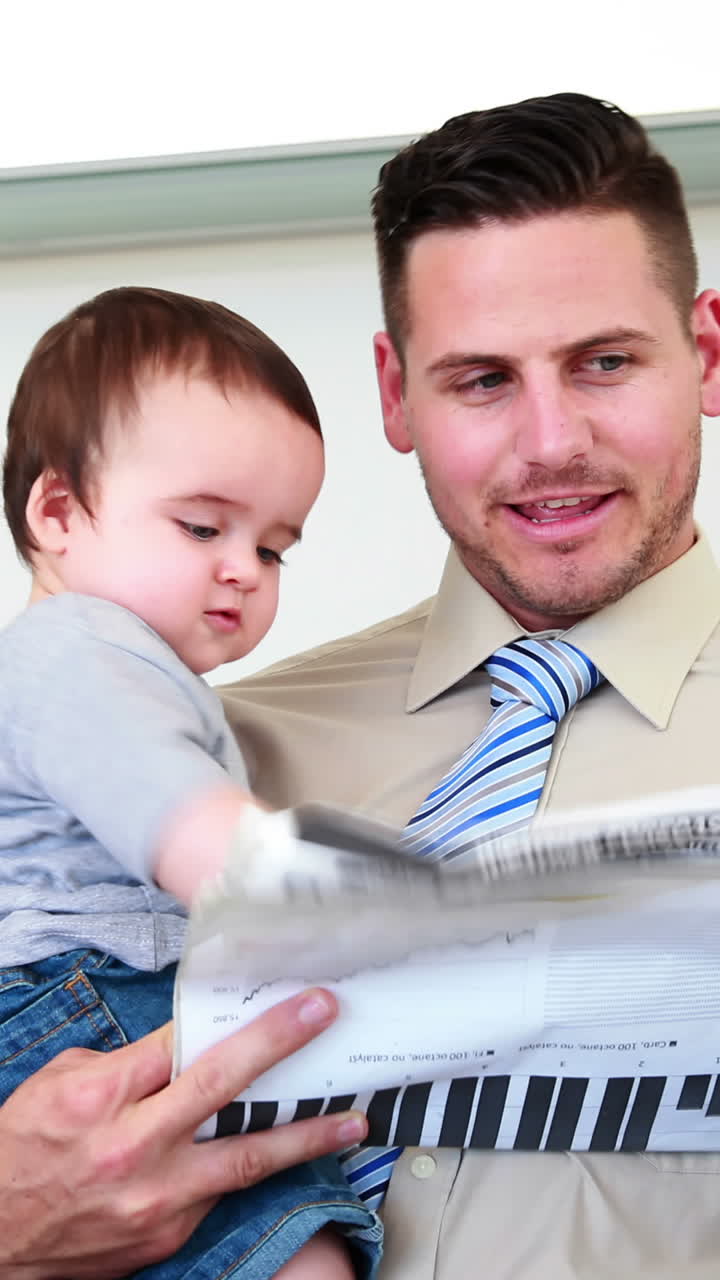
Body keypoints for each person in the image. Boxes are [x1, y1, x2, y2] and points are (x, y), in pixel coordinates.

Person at [2, 88, 720, 1278]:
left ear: (705, 351)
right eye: (482, 378)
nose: (549, 440)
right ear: (395, 394)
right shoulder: (202, 747)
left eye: (603, 362)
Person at [0, 287, 381, 1279]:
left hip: (84, 1007)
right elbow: (191, 826)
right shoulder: (79, 650)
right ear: (58, 510)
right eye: (203, 527)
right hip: (79, 1009)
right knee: (298, 1256)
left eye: (272, 546)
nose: (245, 570)